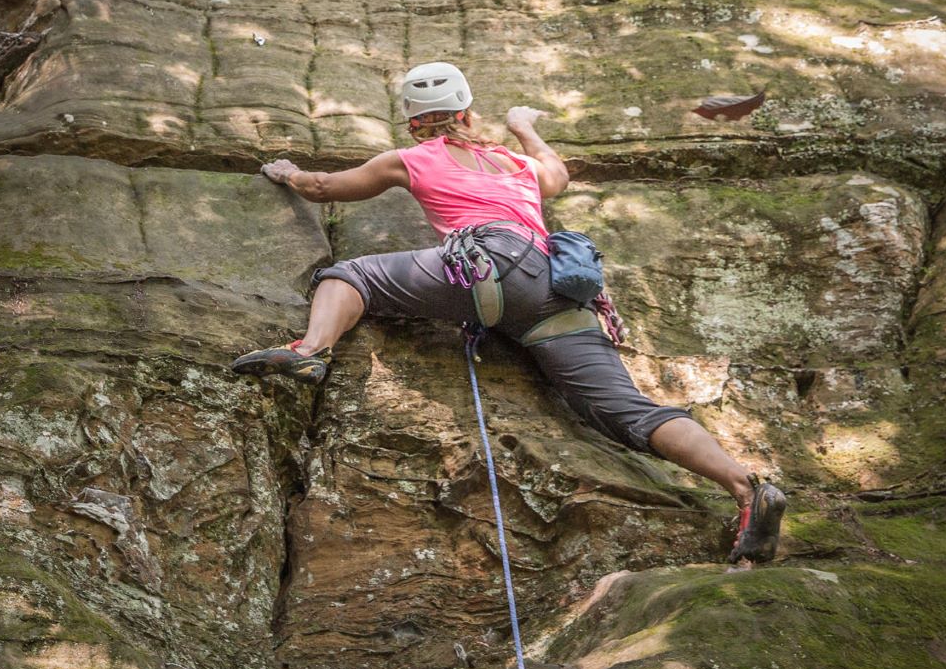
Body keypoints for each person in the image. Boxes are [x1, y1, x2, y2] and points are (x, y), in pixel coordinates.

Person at [233, 62, 784, 563]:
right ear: (468, 114)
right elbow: (557, 176)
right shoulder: (515, 161)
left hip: (489, 265)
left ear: (413, 124)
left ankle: (310, 351)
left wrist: (286, 171)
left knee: (350, 276)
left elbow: (325, 187)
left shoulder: (409, 159)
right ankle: (745, 488)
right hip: (560, 288)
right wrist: (523, 125)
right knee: (628, 410)